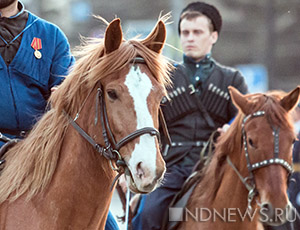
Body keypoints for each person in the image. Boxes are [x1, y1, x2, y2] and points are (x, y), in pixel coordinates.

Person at [0, 1, 119, 229]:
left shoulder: (51, 35)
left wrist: (62, 94)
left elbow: (72, 95)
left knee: (109, 223)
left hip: (43, 147)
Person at [131, 2, 248, 229]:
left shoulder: (232, 79)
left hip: (218, 165)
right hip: (172, 166)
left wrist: (232, 127)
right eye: (185, 33)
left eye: (197, 32)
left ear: (213, 36)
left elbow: (247, 119)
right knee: (149, 215)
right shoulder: (162, 77)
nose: (189, 38)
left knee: (272, 213)